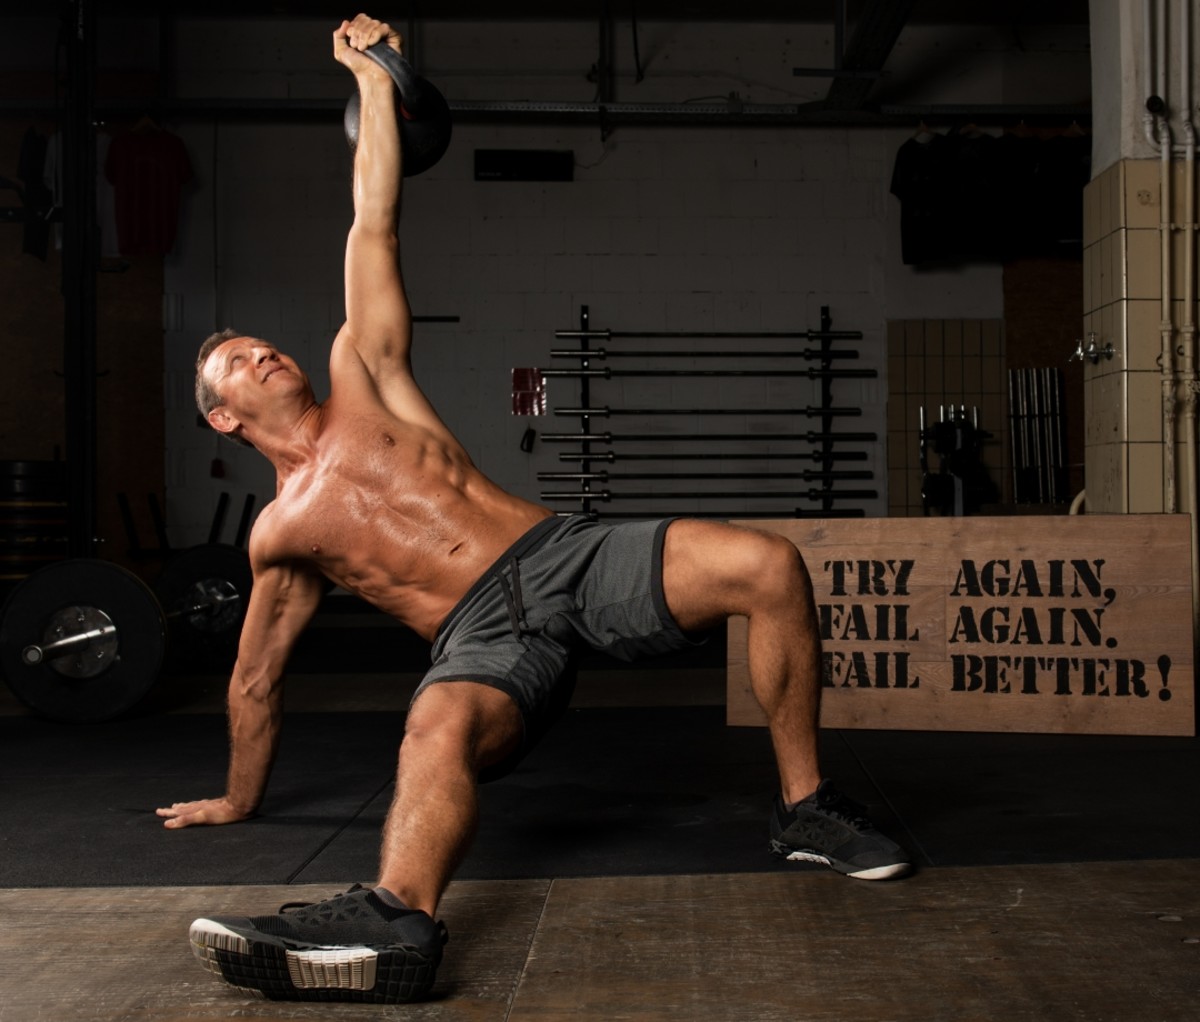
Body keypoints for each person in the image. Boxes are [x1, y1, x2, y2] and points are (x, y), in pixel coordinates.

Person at [161, 13, 911, 1005]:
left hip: (559, 551)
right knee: (430, 727)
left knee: (766, 562)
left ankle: (807, 808)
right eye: (239, 363)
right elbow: (256, 677)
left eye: (262, 343)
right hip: (482, 638)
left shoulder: (363, 370)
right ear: (223, 414)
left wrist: (371, 81)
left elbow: (371, 216)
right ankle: (394, 923)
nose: (265, 355)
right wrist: (238, 796)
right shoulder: (277, 532)